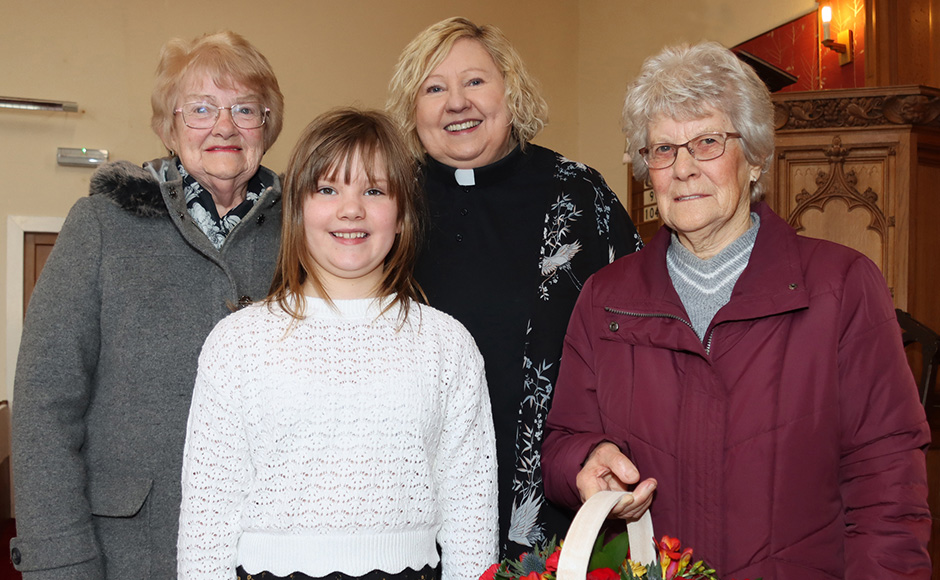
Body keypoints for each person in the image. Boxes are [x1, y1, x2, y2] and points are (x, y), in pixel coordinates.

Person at [542, 41, 931, 579]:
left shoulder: (840, 286)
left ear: (753, 157)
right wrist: (586, 462)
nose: (682, 169)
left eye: (706, 142)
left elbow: (886, 488)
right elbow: (564, 440)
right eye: (661, 149)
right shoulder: (605, 297)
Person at [176, 108, 498, 580]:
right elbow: (206, 524)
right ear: (297, 210)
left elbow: (471, 517)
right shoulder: (237, 343)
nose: (351, 209)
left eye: (373, 190)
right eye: (328, 189)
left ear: (403, 215)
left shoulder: (447, 345)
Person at [10, 31, 285, 578]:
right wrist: (59, 557)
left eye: (244, 109)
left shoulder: (304, 233)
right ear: (168, 123)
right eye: (200, 108)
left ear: (267, 124)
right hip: (129, 551)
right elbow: (44, 405)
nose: (224, 126)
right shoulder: (103, 225)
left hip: (270, 548)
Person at [386, 17, 642, 556]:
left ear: (511, 91)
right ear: (414, 108)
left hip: (555, 498)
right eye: (434, 88)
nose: (457, 102)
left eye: (475, 82)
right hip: (409, 506)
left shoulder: (579, 195)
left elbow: (636, 342)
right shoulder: (383, 203)